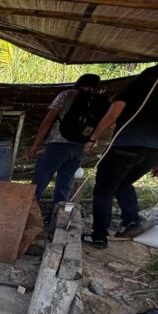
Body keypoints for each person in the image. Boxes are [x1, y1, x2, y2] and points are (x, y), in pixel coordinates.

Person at [83, 65, 158, 248]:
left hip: (126, 145)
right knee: (123, 182)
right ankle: (131, 221)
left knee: (104, 189)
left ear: (143, 76)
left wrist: (92, 138)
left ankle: (98, 236)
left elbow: (112, 115)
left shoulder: (134, 87)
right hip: (157, 151)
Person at [28, 73, 101, 221]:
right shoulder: (98, 102)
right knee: (64, 184)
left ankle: (27, 215)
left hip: (58, 144)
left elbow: (48, 121)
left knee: (39, 181)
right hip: (79, 148)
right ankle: (58, 220)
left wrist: (35, 145)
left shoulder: (66, 95)